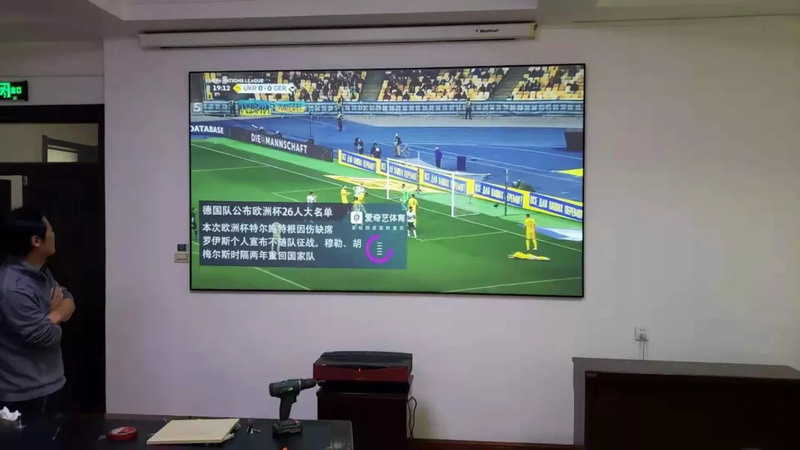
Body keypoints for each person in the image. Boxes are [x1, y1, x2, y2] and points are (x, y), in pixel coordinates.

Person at [0, 207, 76, 418]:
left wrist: (54, 314)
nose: (53, 234)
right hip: (25, 395)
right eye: (50, 230)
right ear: (36, 241)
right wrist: (57, 314)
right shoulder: (12, 288)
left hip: (52, 383)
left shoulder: (40, 272)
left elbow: (68, 299)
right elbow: (47, 336)